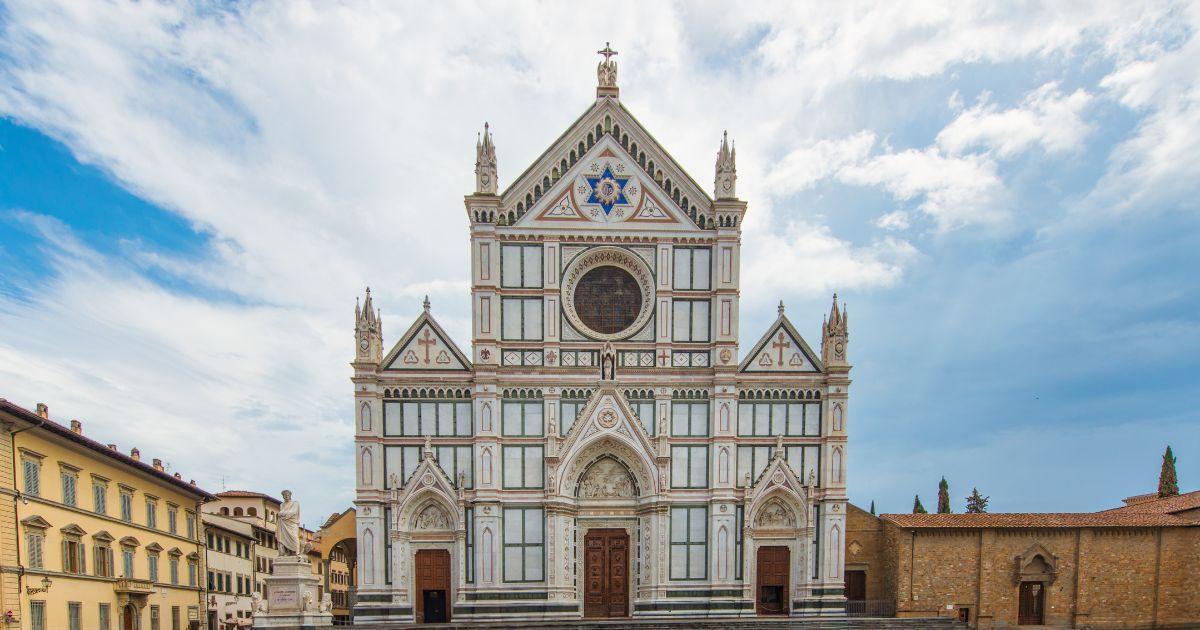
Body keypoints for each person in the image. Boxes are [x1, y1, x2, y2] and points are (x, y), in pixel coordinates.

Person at [278, 489, 301, 557]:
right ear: (283, 496)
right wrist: (281, 514)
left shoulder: (295, 503)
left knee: (294, 537)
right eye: (285, 495)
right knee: (284, 538)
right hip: (283, 524)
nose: (286, 496)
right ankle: (287, 552)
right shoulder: (282, 505)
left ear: (290, 495)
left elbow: (293, 512)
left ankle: (297, 552)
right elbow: (280, 514)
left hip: (292, 523)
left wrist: (282, 513)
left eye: (287, 495)